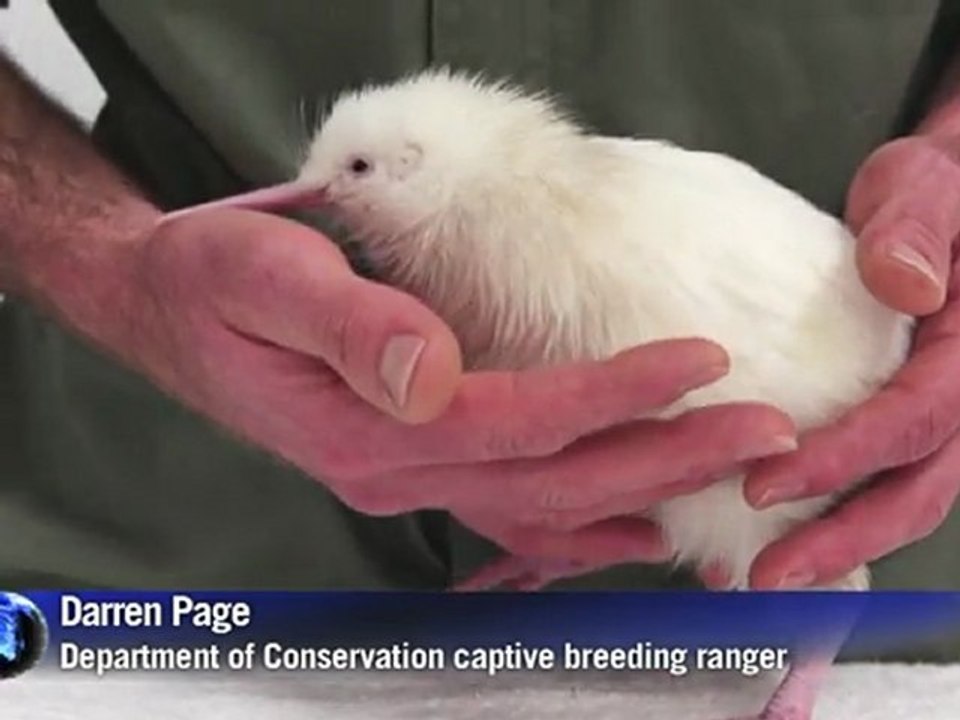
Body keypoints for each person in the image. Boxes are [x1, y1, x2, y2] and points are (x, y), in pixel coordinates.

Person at [1, 1, 959, 620]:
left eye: (357, 176)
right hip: (155, 570)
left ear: (415, 172)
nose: (323, 192)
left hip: (891, 549)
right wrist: (108, 265)